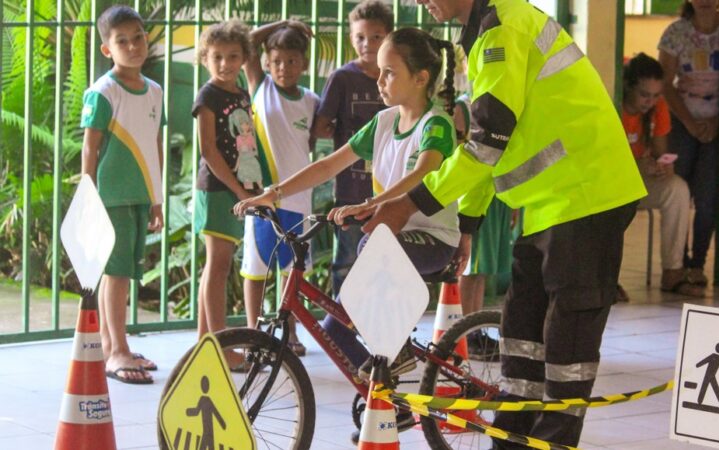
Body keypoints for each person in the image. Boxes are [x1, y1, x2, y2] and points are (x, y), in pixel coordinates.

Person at [364, 0, 647, 447]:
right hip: (547, 207)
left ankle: (552, 442)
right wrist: (468, 225)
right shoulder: (480, 39)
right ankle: (511, 442)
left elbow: (488, 139)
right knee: (521, 336)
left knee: (565, 344)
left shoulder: (504, 29)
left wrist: (407, 204)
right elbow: (484, 146)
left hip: (586, 197)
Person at [234, 26, 458, 436]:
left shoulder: (436, 124)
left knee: (375, 244)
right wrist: (274, 193)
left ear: (421, 78)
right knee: (336, 326)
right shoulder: (384, 121)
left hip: (429, 240)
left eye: (389, 72)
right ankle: (390, 397)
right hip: (387, 240)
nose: (379, 80)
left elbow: (425, 170)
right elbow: (329, 165)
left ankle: (396, 350)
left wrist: (371, 204)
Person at [81, 5, 164, 385]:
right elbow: (90, 148)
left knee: (124, 273)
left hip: (140, 195)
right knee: (115, 274)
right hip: (111, 197)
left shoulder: (156, 92)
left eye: (138, 37)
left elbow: (155, 144)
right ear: (107, 50)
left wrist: (157, 196)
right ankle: (115, 350)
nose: (132, 46)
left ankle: (113, 344)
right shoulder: (103, 92)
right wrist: (88, 194)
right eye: (122, 41)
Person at [240, 20, 319, 356]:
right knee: (256, 266)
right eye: (276, 61)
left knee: (293, 270)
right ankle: (254, 331)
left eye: (291, 60)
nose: (284, 68)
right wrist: (286, 24)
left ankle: (290, 332)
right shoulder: (261, 87)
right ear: (266, 64)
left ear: (304, 63)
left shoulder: (313, 101)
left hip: (300, 199)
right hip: (263, 198)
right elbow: (246, 42)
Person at [312, 0, 393, 298]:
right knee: (346, 261)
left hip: (389, 191)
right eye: (360, 37)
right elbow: (321, 125)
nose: (367, 44)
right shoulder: (342, 78)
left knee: (385, 264)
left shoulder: (398, 77)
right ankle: (341, 329)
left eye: (376, 37)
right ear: (350, 38)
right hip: (350, 189)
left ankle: (377, 328)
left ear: (389, 37)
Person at [192, 20, 257, 361]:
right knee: (217, 267)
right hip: (218, 190)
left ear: (244, 58)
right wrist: (238, 191)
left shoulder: (240, 92)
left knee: (219, 266)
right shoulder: (209, 96)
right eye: (217, 57)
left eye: (233, 57)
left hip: (236, 191)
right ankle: (220, 346)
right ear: (205, 58)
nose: (225, 64)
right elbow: (209, 151)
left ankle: (206, 343)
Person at [621, 53, 703, 298]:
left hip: (640, 182)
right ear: (628, 87)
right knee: (610, 204)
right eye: (645, 94)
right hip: (612, 184)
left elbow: (660, 151)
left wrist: (661, 167)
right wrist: (637, 166)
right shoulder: (614, 107)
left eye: (656, 96)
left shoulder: (658, 110)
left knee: (677, 189)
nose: (650, 101)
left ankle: (673, 272)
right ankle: (607, 278)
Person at [658, 0, 719, 287]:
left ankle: (698, 263)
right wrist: (688, 122)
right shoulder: (675, 32)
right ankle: (678, 264)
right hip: (681, 124)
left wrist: (717, 122)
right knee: (680, 195)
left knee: (708, 199)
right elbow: (664, 83)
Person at [451, 94, 518, 359]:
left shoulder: (507, 103)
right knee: (470, 266)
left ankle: (475, 329)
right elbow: (457, 154)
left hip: (498, 193)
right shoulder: (463, 108)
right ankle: (466, 333)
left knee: (483, 269)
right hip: (473, 195)